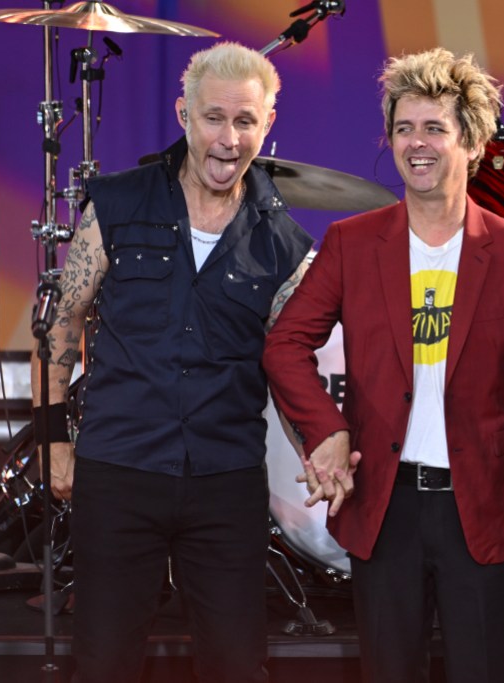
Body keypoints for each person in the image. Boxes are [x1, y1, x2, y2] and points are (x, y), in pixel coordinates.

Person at [262, 47, 504, 683]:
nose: (417, 144)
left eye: (435, 128)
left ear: (472, 141)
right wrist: (327, 431)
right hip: (385, 507)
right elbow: (285, 344)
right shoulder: (351, 243)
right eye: (404, 128)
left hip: (483, 505)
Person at [30, 42, 313, 683]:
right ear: (183, 113)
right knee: (103, 665)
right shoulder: (119, 206)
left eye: (246, 121)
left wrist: (320, 450)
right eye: (214, 117)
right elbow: (62, 325)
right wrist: (53, 438)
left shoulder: (284, 243)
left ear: (268, 125)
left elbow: (292, 366)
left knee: (238, 666)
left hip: (226, 482)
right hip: (120, 470)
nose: (228, 138)